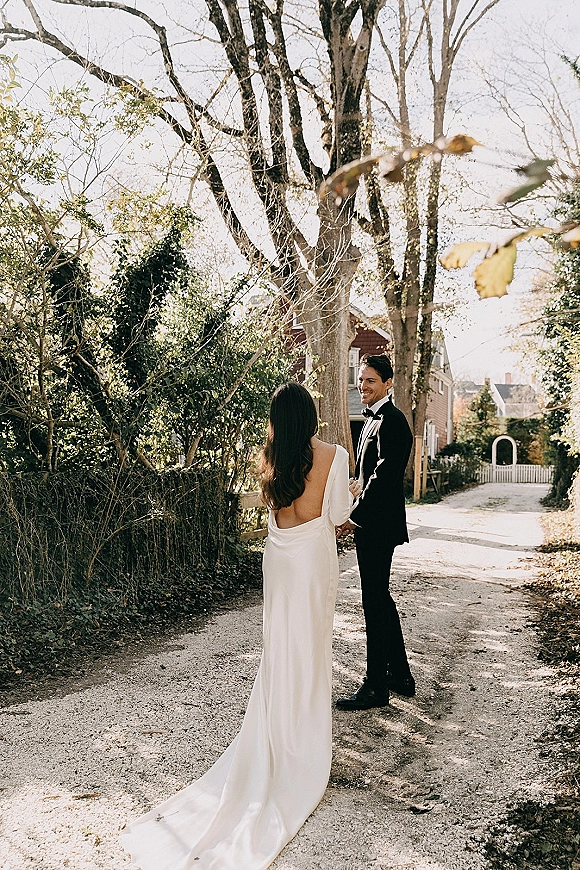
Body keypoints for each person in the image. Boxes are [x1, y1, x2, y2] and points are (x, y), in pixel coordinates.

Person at [121, 382, 352, 870]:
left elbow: (275, 511)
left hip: (280, 557)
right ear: (311, 416)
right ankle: (302, 751)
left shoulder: (268, 455)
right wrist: (348, 492)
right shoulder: (333, 454)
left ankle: (273, 738)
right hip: (312, 559)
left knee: (280, 650)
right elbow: (336, 516)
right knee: (309, 653)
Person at [336, 354, 415, 711]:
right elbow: (369, 476)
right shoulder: (371, 421)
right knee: (379, 598)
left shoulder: (394, 422)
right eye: (360, 379)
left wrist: (356, 515)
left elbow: (384, 479)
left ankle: (375, 686)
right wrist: (356, 486)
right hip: (373, 520)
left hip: (379, 525)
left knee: (374, 601)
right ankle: (399, 675)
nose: (362, 385)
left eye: (369, 380)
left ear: (387, 383)